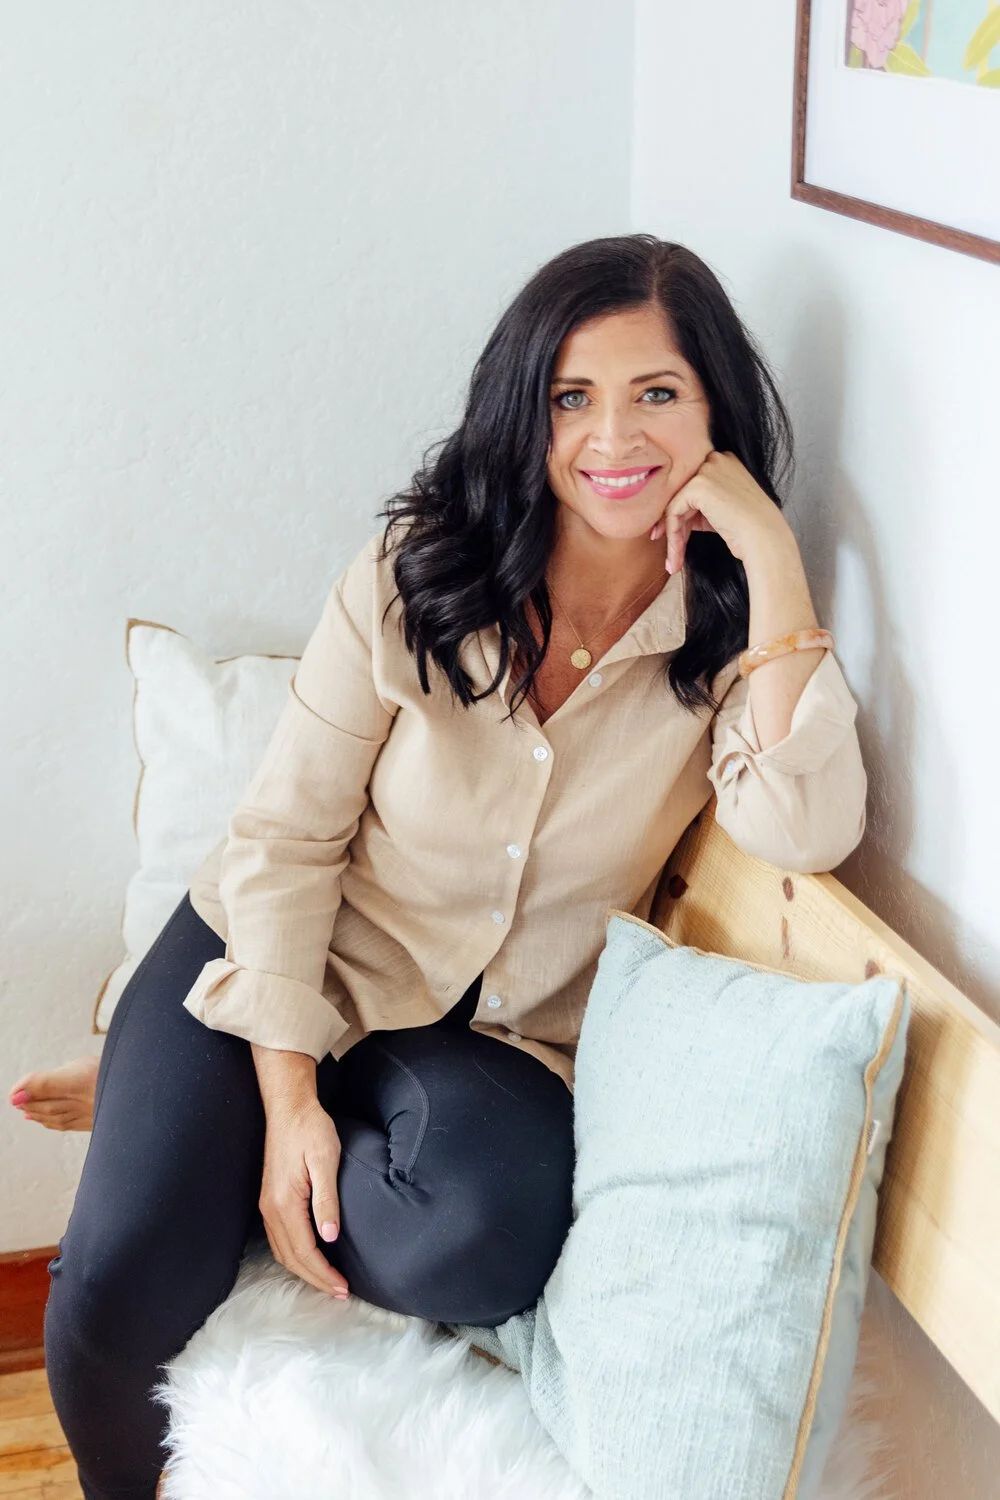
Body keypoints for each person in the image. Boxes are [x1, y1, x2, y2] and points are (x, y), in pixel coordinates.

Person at [11, 234, 867, 1500]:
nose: (613, 438)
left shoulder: (731, 627)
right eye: (572, 397)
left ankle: (175, 1098)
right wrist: (286, 1096)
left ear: (716, 412)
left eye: (658, 395)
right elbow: (286, 837)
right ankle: (184, 1074)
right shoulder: (419, 574)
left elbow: (804, 832)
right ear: (525, 413)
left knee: (484, 1244)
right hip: (285, 948)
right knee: (116, 1287)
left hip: (489, 1040)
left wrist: (773, 557)